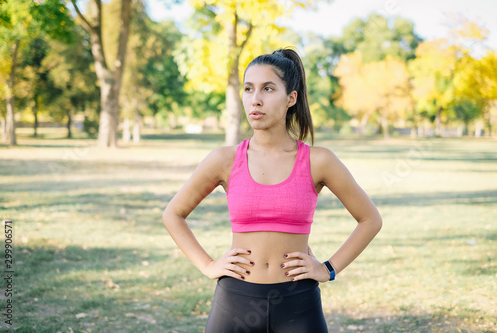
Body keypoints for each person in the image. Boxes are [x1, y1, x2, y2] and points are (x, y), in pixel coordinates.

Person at [162, 48, 382, 333]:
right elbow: (173, 214)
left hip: (298, 303)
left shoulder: (319, 161)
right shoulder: (224, 160)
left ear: (291, 98)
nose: (255, 99)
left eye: (268, 89)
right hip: (235, 302)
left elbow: (370, 219)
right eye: (249, 89)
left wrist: (328, 268)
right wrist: (207, 265)